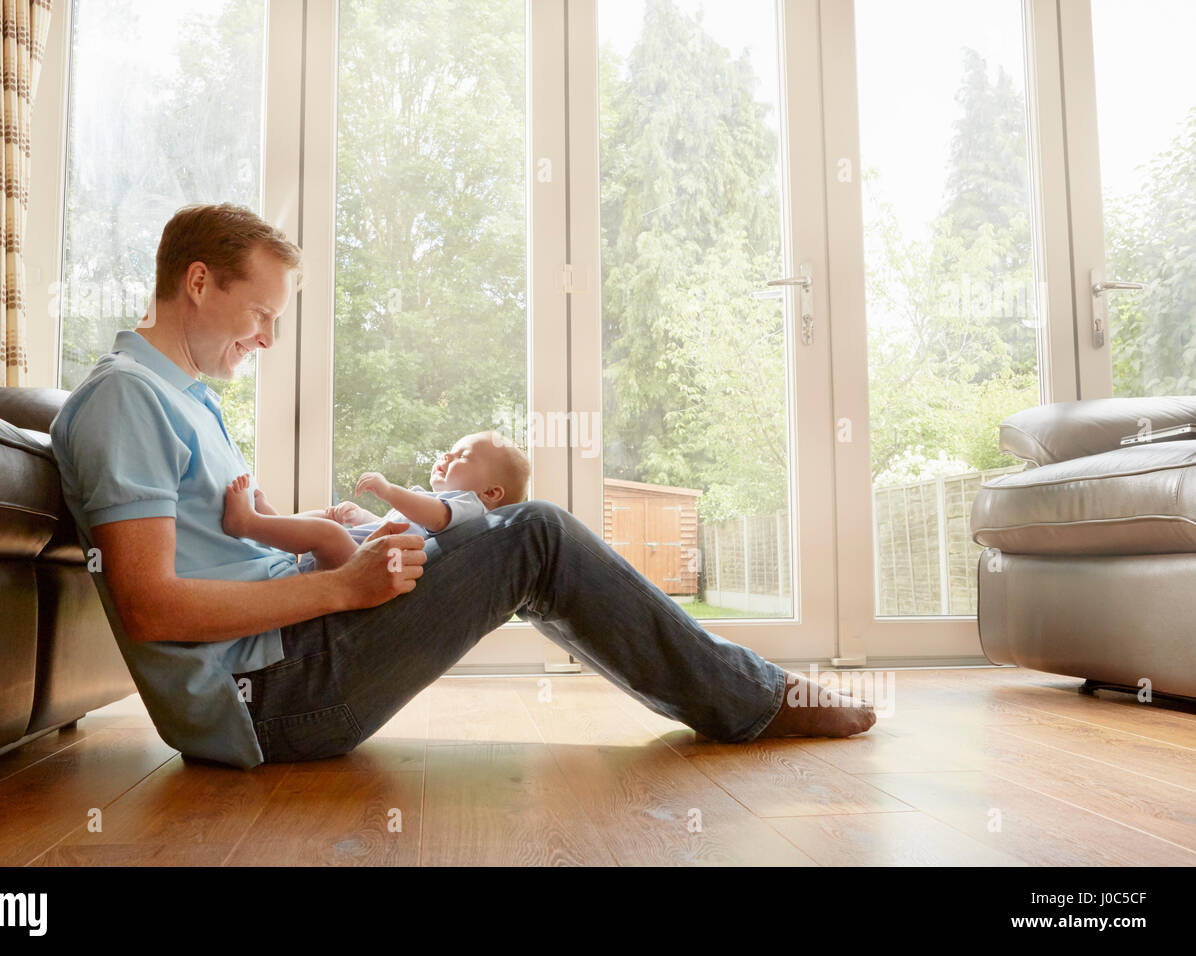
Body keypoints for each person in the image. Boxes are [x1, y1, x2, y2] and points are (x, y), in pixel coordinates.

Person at [49, 202, 875, 770]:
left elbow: (219, 551)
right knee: (535, 535)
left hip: (290, 656)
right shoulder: (126, 398)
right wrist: (341, 586)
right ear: (198, 283)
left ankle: (745, 686)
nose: (267, 337)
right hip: (265, 698)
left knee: (499, 523)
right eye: (261, 314)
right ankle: (755, 698)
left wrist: (330, 536)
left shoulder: (184, 401)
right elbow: (153, 604)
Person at [218, 430, 531, 571]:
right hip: (357, 555)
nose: (448, 454)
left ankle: (247, 524)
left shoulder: (469, 505)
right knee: (333, 517)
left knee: (330, 533)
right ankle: (274, 526)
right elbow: (390, 528)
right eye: (451, 448)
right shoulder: (431, 502)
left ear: (490, 492)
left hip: (361, 566)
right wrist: (364, 518)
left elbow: (435, 517)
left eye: (463, 455)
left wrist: (389, 490)